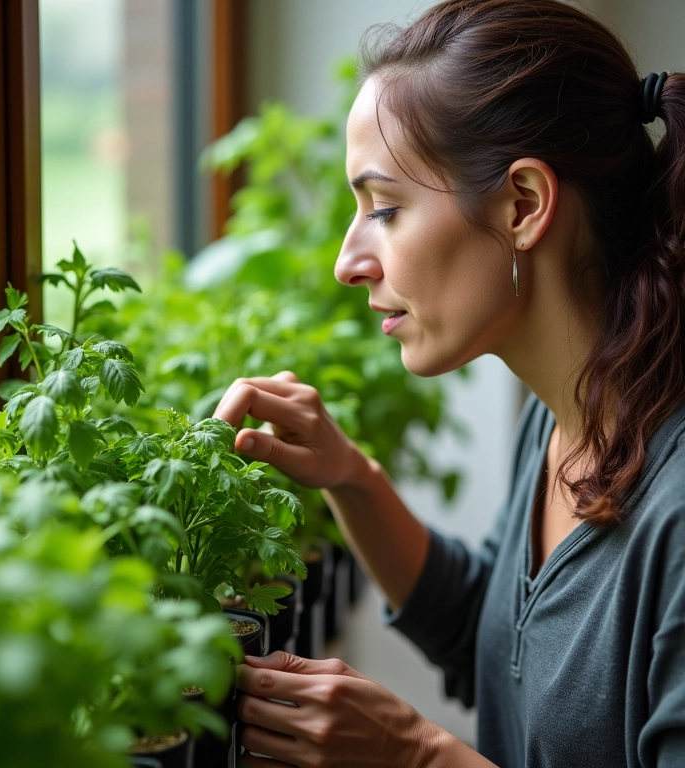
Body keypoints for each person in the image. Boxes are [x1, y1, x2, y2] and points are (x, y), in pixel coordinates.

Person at [213, 0, 685, 765]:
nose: (348, 261)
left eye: (387, 209)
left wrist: (419, 754)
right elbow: (494, 647)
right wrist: (351, 478)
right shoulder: (565, 414)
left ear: (522, 205)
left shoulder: (675, 512)